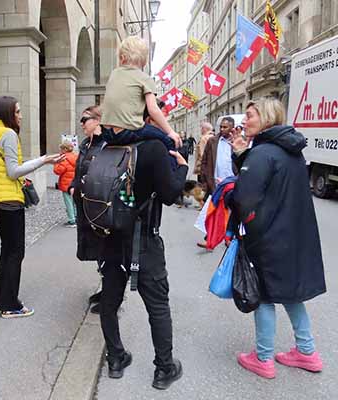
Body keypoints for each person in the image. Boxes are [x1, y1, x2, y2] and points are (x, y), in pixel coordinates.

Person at [228, 98, 326, 379]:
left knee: (265, 295)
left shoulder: (262, 153)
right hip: (293, 233)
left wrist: (237, 216)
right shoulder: (290, 150)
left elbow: (245, 198)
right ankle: (307, 352)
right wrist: (241, 155)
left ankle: (263, 357)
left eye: (249, 116)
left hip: (268, 236)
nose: (244, 121)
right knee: (291, 293)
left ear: (267, 118)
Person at [96, 140, 188, 390]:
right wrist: (182, 168)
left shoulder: (107, 147)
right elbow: (170, 195)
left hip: (111, 238)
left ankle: (115, 359)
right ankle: (164, 369)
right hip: (144, 240)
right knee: (158, 306)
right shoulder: (153, 148)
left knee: (109, 302)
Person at [0, 96, 64, 319]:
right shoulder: (8, 134)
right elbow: (13, 171)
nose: (20, 116)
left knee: (8, 250)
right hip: (8, 200)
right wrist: (43, 160)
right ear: (7, 114)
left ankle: (2, 300)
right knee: (15, 252)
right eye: (17, 112)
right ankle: (9, 304)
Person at [100, 36, 182, 150]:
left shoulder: (114, 74)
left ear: (122, 58)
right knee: (169, 142)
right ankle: (177, 166)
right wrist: (171, 132)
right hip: (127, 132)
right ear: (144, 61)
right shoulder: (145, 78)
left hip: (106, 133)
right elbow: (153, 110)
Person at [70, 106, 107, 314]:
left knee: (107, 249)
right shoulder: (86, 144)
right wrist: (74, 184)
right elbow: (79, 170)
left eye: (85, 119)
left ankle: (110, 297)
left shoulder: (107, 144)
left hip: (100, 207)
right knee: (97, 249)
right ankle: (104, 288)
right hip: (85, 205)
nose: (82, 123)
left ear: (98, 120)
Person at [197, 118, 237, 248]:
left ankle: (229, 237)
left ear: (232, 128)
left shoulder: (237, 142)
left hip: (232, 183)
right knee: (212, 212)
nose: (222, 129)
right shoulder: (212, 141)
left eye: (225, 127)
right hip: (215, 183)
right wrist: (204, 179)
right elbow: (205, 160)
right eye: (221, 127)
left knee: (232, 212)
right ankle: (209, 239)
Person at [53, 141, 78, 227]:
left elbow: (58, 171)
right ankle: (76, 217)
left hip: (66, 184)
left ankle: (72, 220)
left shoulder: (63, 159)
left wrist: (56, 163)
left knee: (68, 202)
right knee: (75, 201)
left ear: (64, 149)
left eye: (61, 149)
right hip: (75, 183)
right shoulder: (76, 156)